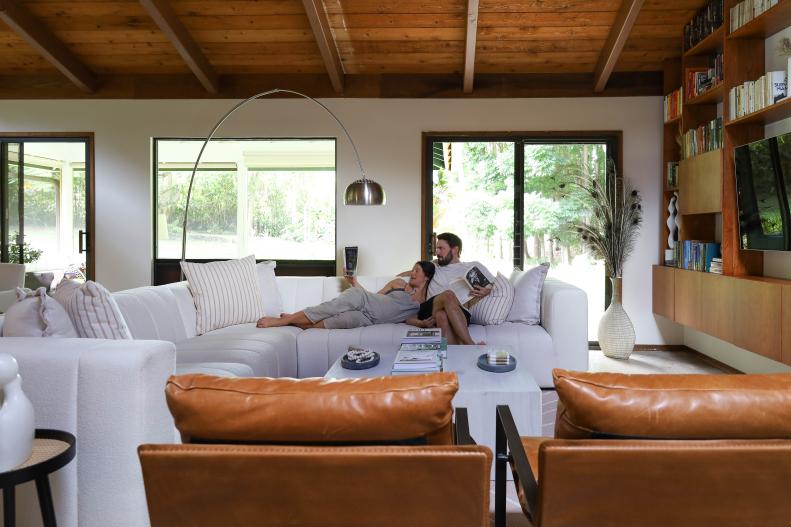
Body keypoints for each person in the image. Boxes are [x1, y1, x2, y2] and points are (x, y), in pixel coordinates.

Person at [256, 261, 434, 330]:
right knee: (331, 308)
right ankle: (282, 321)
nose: (412, 272)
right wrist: (354, 283)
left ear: (426, 276)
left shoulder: (422, 302)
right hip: (366, 301)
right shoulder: (399, 284)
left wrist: (421, 323)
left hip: (368, 319)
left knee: (335, 322)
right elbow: (373, 296)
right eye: (412, 269)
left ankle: (295, 320)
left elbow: (408, 319)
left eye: (417, 271)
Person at [406, 233, 493, 345]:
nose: (437, 252)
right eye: (437, 248)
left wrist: (487, 291)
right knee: (448, 295)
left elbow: (494, 285)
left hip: (458, 312)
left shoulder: (473, 266)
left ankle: (450, 357)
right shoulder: (434, 266)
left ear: (455, 250)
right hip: (430, 308)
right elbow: (412, 272)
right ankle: (470, 345)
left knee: (442, 315)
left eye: (441, 248)